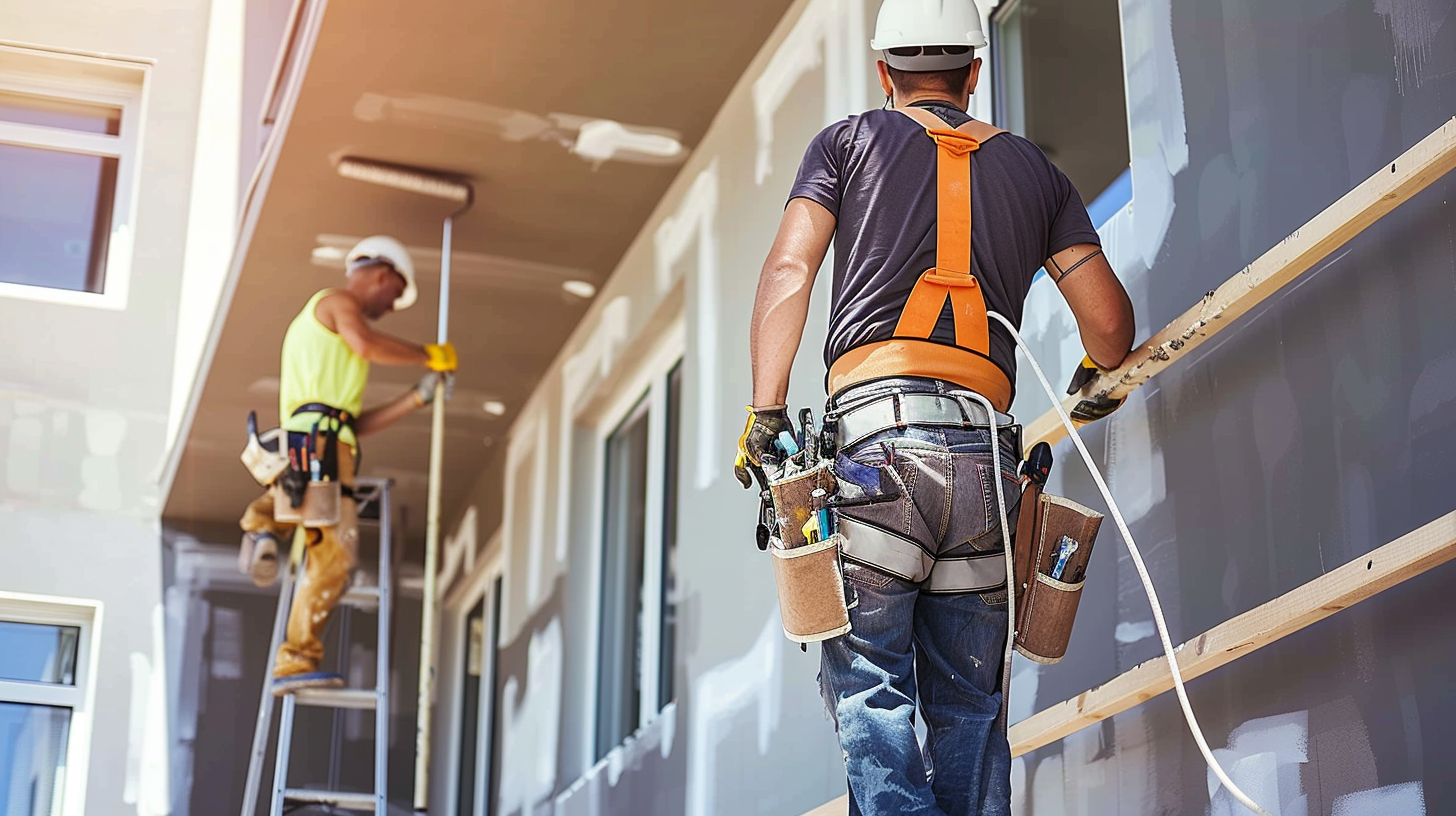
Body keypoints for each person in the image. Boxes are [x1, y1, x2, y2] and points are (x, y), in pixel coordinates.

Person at [736, 1, 1136, 813]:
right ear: (976, 74)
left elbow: (789, 271)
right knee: (971, 712)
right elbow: (1111, 327)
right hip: (986, 472)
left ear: (885, 72)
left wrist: (767, 410)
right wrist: (1096, 370)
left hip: (878, 455)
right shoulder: (1036, 172)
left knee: (871, 692)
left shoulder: (847, 143)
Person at [238, 235, 459, 695]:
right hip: (321, 447)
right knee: (335, 556)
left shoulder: (326, 332)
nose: (391, 305)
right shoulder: (337, 302)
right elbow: (366, 344)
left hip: (311, 440)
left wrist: (417, 397)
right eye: (395, 294)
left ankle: (261, 528)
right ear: (383, 275)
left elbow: (353, 423)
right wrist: (427, 354)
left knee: (306, 517)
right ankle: (295, 659)